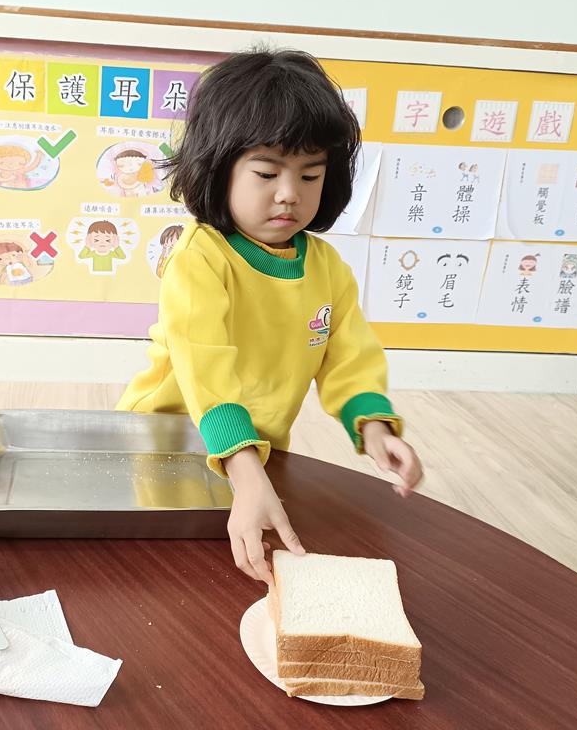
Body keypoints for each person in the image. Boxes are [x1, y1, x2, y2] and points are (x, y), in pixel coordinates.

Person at [116, 48, 424, 585]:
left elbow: (348, 357)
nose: (288, 194)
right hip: (166, 446)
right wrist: (244, 469)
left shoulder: (326, 267)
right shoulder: (200, 256)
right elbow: (207, 372)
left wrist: (373, 425)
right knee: (161, 577)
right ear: (219, 168)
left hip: (256, 454)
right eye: (266, 172)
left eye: (310, 175)